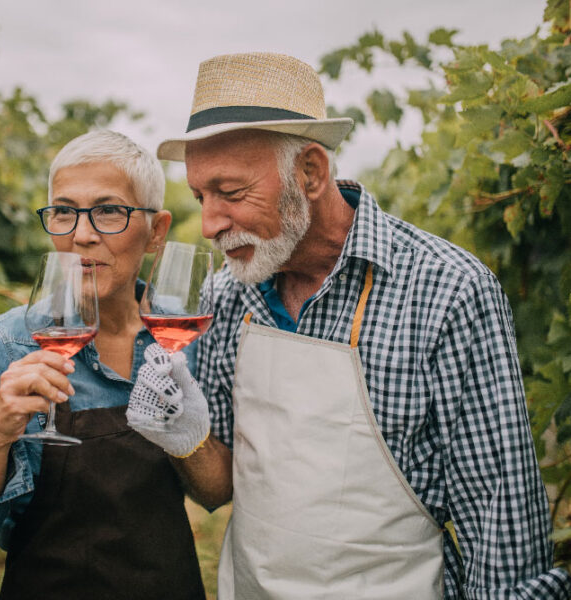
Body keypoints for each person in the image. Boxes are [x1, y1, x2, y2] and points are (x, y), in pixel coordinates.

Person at [126, 52, 571, 598]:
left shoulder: (447, 291)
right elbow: (218, 490)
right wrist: (184, 433)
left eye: (232, 193)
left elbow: (500, 525)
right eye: (200, 197)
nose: (211, 223)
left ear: (311, 171)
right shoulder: (224, 292)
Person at [0, 130, 206, 600]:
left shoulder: (186, 339)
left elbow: (214, 493)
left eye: (108, 211)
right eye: (63, 211)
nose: (81, 235)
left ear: (157, 231)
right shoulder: (5, 346)